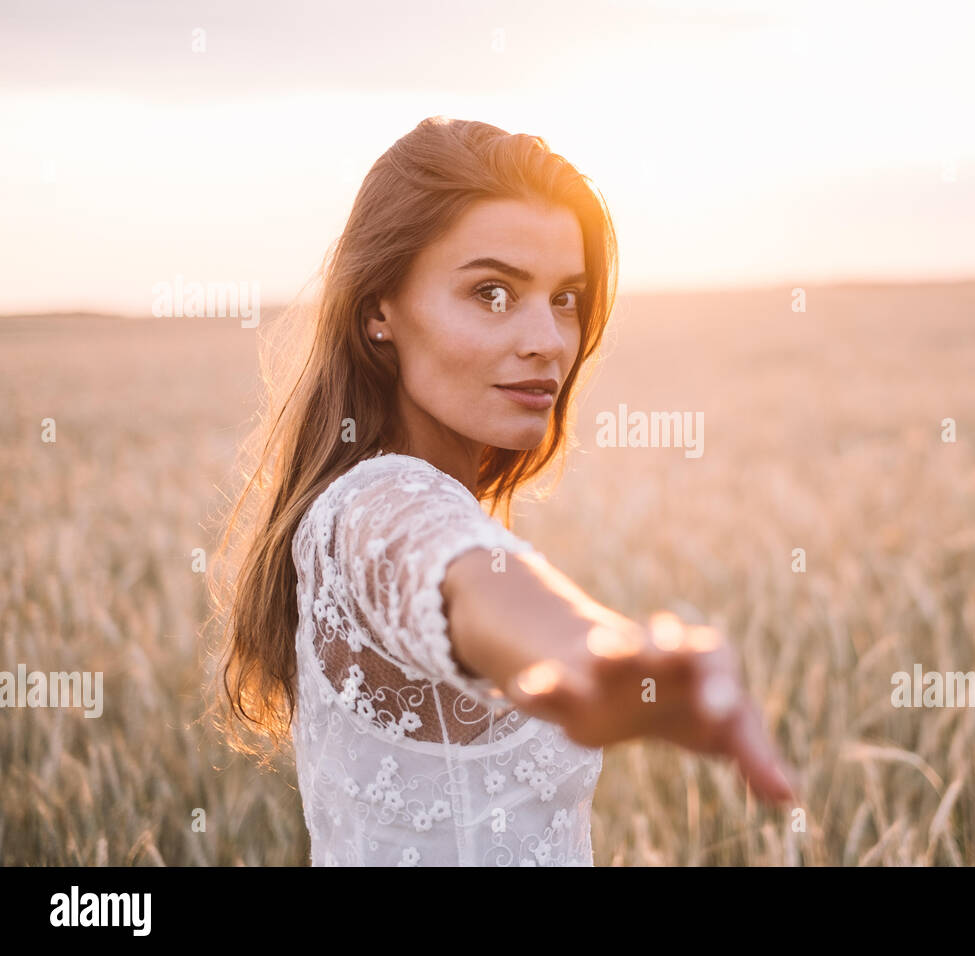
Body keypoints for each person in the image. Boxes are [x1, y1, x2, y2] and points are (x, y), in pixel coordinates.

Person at [208, 116, 797, 866]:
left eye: (565, 297)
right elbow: (464, 573)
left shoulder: (419, 502)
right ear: (377, 310)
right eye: (492, 292)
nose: (549, 340)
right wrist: (590, 649)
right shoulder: (375, 505)